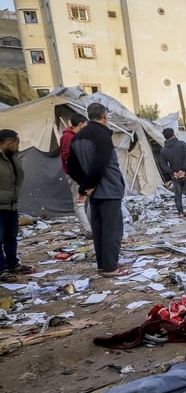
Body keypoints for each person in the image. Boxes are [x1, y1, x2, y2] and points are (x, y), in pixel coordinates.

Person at [67, 103, 127, 277]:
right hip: (109, 189)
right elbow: (100, 163)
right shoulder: (102, 135)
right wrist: (89, 185)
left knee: (99, 228)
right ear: (104, 117)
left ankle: (103, 264)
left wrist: (85, 186)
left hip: (95, 192)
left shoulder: (77, 137)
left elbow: (71, 166)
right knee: (112, 229)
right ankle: (110, 267)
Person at [0, 129, 33, 281]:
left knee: (11, 236)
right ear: (5, 143)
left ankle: (13, 263)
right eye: (13, 143)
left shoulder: (13, 157)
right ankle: (2, 269)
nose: (16, 145)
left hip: (11, 204)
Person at [60, 113, 92, 234]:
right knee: (79, 202)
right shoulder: (68, 137)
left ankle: (91, 227)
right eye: (85, 124)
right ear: (80, 124)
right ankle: (88, 230)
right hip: (75, 175)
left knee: (87, 200)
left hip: (83, 174)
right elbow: (67, 157)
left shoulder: (77, 136)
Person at [158, 127, 186, 218]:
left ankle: (180, 213)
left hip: (175, 175)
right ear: (173, 134)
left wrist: (173, 172)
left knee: (178, 194)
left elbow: (163, 165)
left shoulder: (163, 150)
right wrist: (183, 170)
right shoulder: (182, 144)